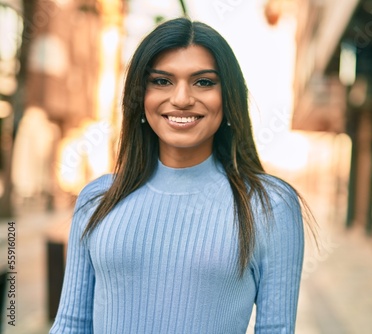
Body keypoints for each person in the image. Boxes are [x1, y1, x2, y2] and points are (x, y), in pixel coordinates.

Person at [50, 17, 310, 333]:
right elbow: (71, 324)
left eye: (203, 82)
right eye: (162, 81)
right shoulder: (97, 198)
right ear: (140, 95)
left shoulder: (270, 205)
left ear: (228, 97)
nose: (182, 98)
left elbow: (276, 329)